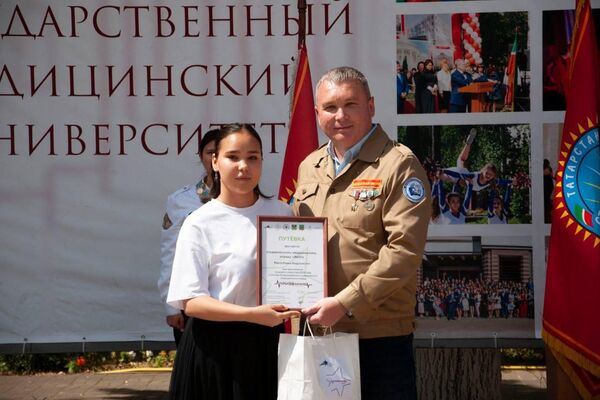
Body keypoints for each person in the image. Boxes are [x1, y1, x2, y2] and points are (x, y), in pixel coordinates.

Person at [292, 66, 431, 400]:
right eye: (330, 107)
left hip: (377, 336)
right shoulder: (309, 166)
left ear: (370, 106)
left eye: (350, 105)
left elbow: (404, 252)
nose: (340, 116)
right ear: (316, 113)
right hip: (319, 331)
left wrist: (345, 302)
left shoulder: (398, 164)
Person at [166, 124, 300, 400]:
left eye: (253, 157)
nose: (243, 166)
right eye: (233, 157)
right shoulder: (199, 222)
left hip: (267, 347)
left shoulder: (282, 214)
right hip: (212, 352)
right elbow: (191, 301)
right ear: (215, 161)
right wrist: (253, 315)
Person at [158, 129, 219, 346]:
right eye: (209, 152)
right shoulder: (181, 201)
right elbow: (170, 255)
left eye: (221, 153)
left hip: (237, 304)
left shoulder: (251, 200)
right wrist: (172, 306)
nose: (214, 159)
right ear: (200, 156)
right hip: (193, 302)